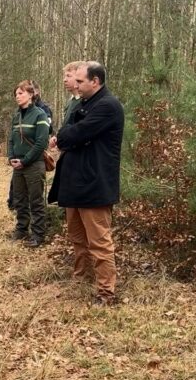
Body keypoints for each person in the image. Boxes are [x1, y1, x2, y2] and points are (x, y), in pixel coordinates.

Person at [49, 61, 125, 305]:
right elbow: (66, 132)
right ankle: (81, 277)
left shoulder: (108, 106)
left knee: (100, 242)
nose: (76, 85)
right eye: (76, 81)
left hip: (95, 185)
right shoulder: (82, 104)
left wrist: (68, 137)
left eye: (81, 81)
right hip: (75, 184)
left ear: (96, 81)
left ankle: (106, 292)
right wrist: (68, 136)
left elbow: (75, 133)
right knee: (77, 237)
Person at [7, 81, 51, 248]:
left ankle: (38, 234)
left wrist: (25, 161)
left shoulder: (40, 115)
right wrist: (11, 157)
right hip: (17, 165)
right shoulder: (16, 116)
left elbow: (41, 143)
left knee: (36, 200)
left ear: (31, 95)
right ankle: (21, 230)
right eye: (16, 94)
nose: (17, 97)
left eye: (21, 93)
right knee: (19, 199)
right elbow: (11, 139)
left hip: (33, 165)